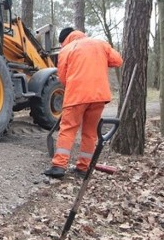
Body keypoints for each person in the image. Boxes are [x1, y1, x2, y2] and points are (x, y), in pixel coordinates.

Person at [43, 27, 123, 179]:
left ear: (64, 40)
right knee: (90, 132)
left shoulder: (66, 50)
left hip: (76, 96)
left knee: (68, 128)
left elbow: (63, 78)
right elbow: (118, 60)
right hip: (99, 96)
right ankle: (83, 168)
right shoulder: (100, 44)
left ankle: (59, 166)